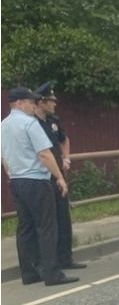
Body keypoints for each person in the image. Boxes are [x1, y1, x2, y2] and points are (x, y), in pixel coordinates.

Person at [0, 87, 79, 286]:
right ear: (19, 103)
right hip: (36, 180)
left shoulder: (4, 125)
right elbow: (44, 154)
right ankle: (52, 274)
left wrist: (11, 174)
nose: (33, 105)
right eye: (30, 102)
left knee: (25, 228)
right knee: (47, 227)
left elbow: (4, 156)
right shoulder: (30, 123)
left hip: (17, 181)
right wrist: (59, 177)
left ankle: (29, 273)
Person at [33, 82, 86, 270]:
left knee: (63, 217)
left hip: (58, 174)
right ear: (40, 102)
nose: (55, 104)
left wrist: (67, 159)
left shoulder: (54, 120)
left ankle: (65, 258)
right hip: (41, 175)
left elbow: (64, 139)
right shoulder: (31, 123)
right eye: (51, 101)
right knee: (48, 219)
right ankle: (49, 260)